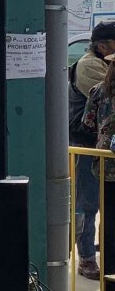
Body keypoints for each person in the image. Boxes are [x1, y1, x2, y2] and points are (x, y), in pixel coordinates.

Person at [68, 21, 115, 280]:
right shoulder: (89, 66)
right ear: (103, 46)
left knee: (104, 204)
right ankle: (86, 257)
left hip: (102, 147)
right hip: (87, 146)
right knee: (88, 204)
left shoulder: (102, 64)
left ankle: (104, 252)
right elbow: (104, 99)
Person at [83, 52, 115, 291]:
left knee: (109, 223)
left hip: (105, 167)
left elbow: (87, 123)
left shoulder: (98, 91)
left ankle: (109, 278)